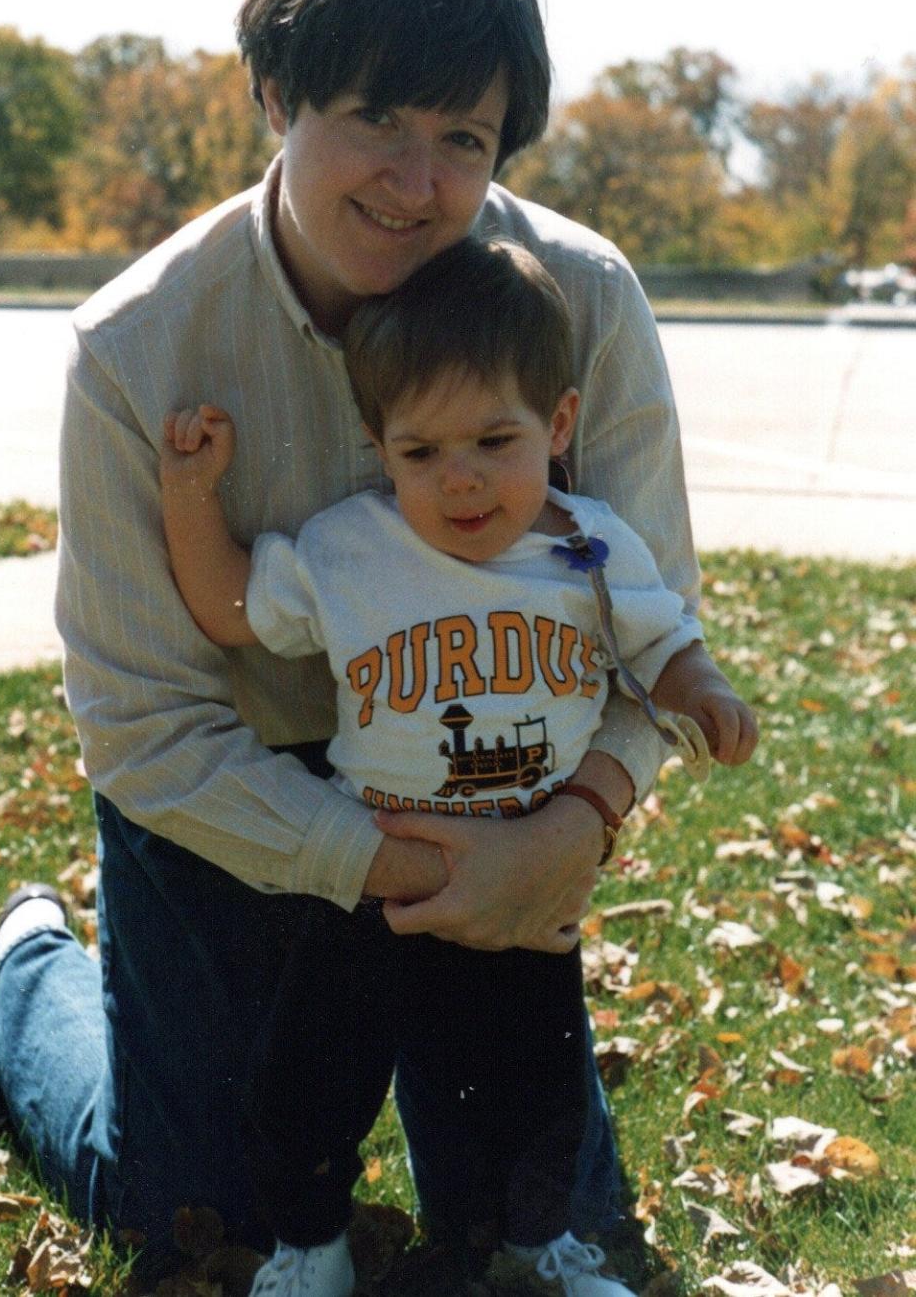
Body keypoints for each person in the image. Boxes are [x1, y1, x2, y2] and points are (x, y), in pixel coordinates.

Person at [0, 0, 757, 1293]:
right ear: (278, 96)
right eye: (374, 117)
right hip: (232, 798)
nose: (415, 180)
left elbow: (650, 623)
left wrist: (575, 824)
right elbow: (147, 728)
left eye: (463, 134)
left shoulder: (585, 303)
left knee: (529, 1217)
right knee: (203, 1209)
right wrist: (385, 863)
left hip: (504, 802)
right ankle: (31, 976)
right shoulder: (136, 349)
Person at [157, 235, 751, 1295]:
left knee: (532, 1080)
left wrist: (701, 689)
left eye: (494, 438)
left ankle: (527, 1245)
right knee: (312, 1076)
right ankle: (311, 1247)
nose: (461, 477)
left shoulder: (592, 542)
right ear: (379, 445)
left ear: (559, 425)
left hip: (526, 862)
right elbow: (233, 607)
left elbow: (663, 642)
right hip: (375, 865)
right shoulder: (349, 548)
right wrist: (195, 496)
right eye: (422, 451)